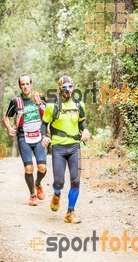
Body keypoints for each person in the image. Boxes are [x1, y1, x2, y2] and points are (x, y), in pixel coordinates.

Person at [41, 75, 90, 223]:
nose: (67, 90)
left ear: (73, 88)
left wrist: (86, 130)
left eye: (70, 87)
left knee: (75, 181)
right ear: (59, 88)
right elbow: (44, 124)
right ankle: (56, 194)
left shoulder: (79, 105)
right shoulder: (52, 106)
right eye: (64, 87)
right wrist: (44, 136)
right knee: (59, 182)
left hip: (74, 146)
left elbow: (82, 123)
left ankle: (70, 213)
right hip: (58, 147)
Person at [3, 73, 47, 206]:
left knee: (42, 168)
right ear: (20, 86)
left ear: (31, 84)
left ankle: (38, 183)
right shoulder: (15, 101)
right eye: (23, 84)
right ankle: (32, 194)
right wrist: (9, 128)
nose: (25, 86)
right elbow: (6, 118)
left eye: (27, 83)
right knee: (29, 168)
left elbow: (49, 115)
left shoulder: (39, 98)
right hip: (23, 137)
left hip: (38, 136)